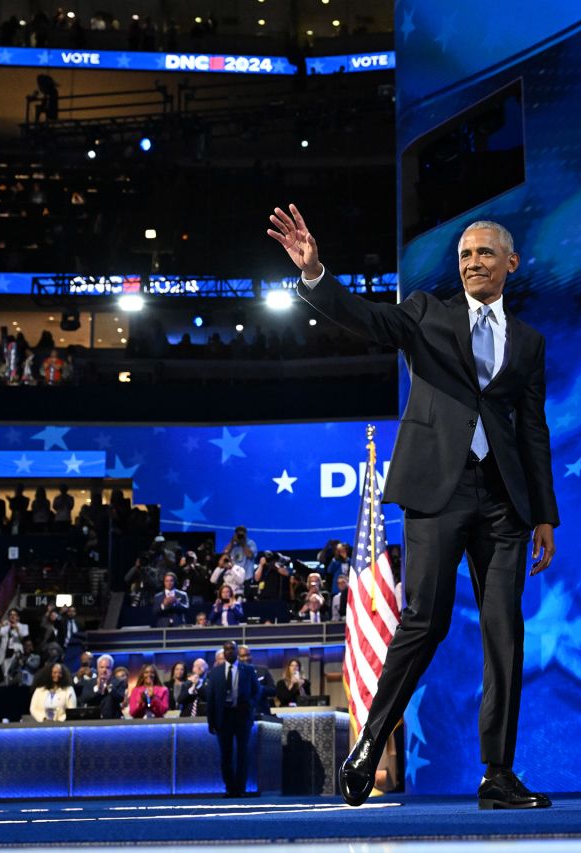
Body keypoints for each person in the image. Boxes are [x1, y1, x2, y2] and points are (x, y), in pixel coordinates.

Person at [269, 205, 558, 809]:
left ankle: (497, 774)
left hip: (505, 502)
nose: (472, 263)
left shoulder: (529, 343)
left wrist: (546, 515)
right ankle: (370, 743)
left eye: (484, 253)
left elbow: (533, 428)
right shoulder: (427, 312)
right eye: (464, 256)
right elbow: (368, 319)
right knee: (425, 621)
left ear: (511, 263)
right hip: (438, 491)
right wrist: (316, 274)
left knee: (505, 632)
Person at [204, 640, 256, 797]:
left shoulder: (247, 669)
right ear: (223, 653)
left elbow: (256, 691)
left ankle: (241, 788)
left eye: (232, 649)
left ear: (236, 651)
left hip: (241, 717)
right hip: (223, 718)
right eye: (226, 650)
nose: (229, 652)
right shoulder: (215, 672)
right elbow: (211, 699)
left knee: (242, 754)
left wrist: (249, 705)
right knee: (225, 755)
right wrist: (211, 721)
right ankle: (230, 788)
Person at [79, 654, 127, 719]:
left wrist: (108, 686)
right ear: (97, 668)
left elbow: (120, 698)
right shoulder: (89, 682)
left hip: (112, 721)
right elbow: (84, 699)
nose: (104, 670)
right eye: (101, 667)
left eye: (107, 668)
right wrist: (97, 689)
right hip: (93, 721)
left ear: (111, 669)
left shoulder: (118, 682)